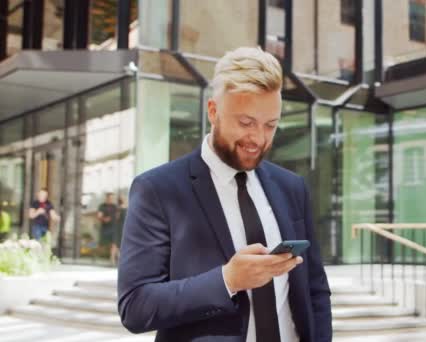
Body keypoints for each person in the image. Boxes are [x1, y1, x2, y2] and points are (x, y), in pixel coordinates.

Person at [118, 47, 332, 342]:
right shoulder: (158, 190)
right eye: (245, 123)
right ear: (213, 111)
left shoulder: (292, 187)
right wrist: (227, 280)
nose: (258, 138)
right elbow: (136, 307)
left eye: (270, 125)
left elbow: (315, 288)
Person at [97, 193, 118, 264]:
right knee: (103, 244)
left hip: (114, 227)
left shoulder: (115, 206)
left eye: (112, 198)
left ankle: (112, 259)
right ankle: (95, 256)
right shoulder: (102, 206)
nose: (110, 199)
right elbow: (99, 216)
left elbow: (118, 216)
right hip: (105, 228)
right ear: (106, 198)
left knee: (114, 243)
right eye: (109, 198)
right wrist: (104, 219)